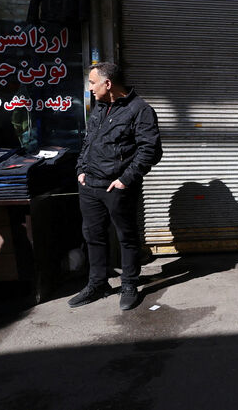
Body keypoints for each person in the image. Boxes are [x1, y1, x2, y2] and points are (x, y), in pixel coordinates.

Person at [68, 62, 162, 311]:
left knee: (127, 237)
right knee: (93, 236)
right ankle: (97, 283)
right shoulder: (99, 106)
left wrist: (125, 180)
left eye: (92, 83)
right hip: (89, 185)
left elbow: (151, 151)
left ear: (107, 84)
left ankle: (129, 283)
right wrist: (81, 170)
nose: (89, 88)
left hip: (117, 187)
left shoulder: (140, 110)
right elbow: (88, 140)